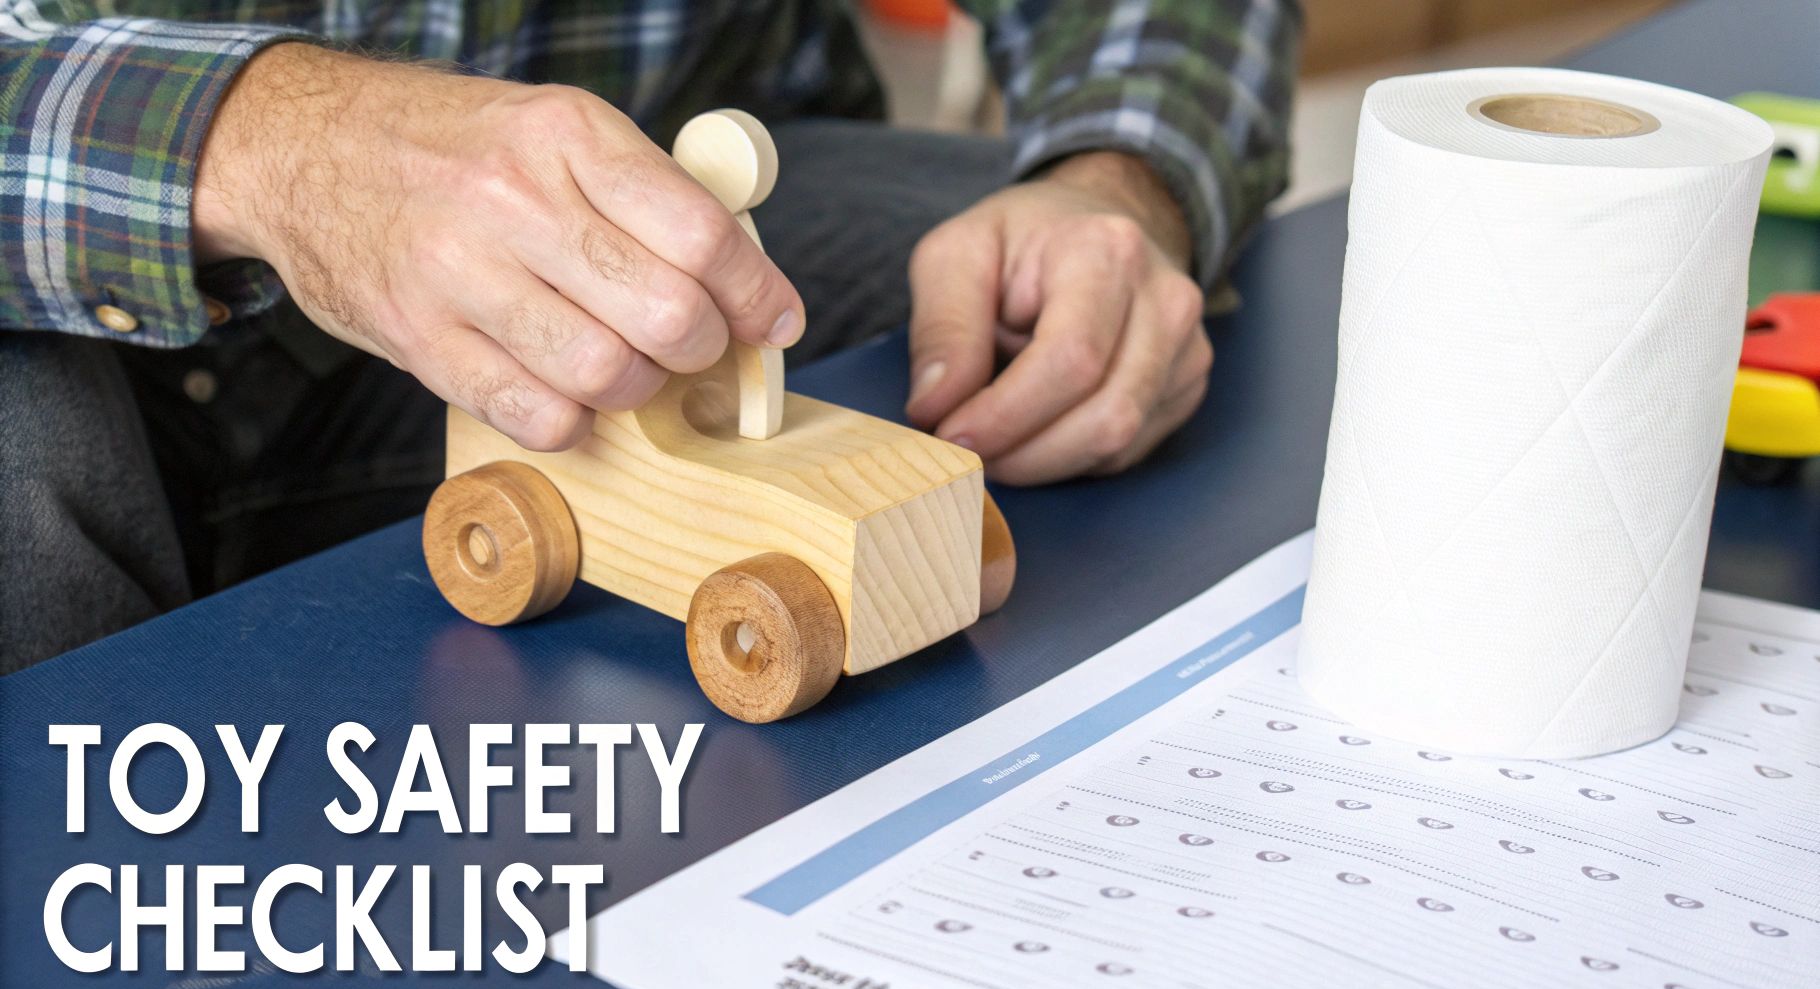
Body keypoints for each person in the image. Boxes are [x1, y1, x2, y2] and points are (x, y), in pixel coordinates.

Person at [0, 1, 1298, 672]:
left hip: (653, 174)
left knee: (1036, 300)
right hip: (67, 280)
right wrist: (267, 143)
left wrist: (1118, 173)